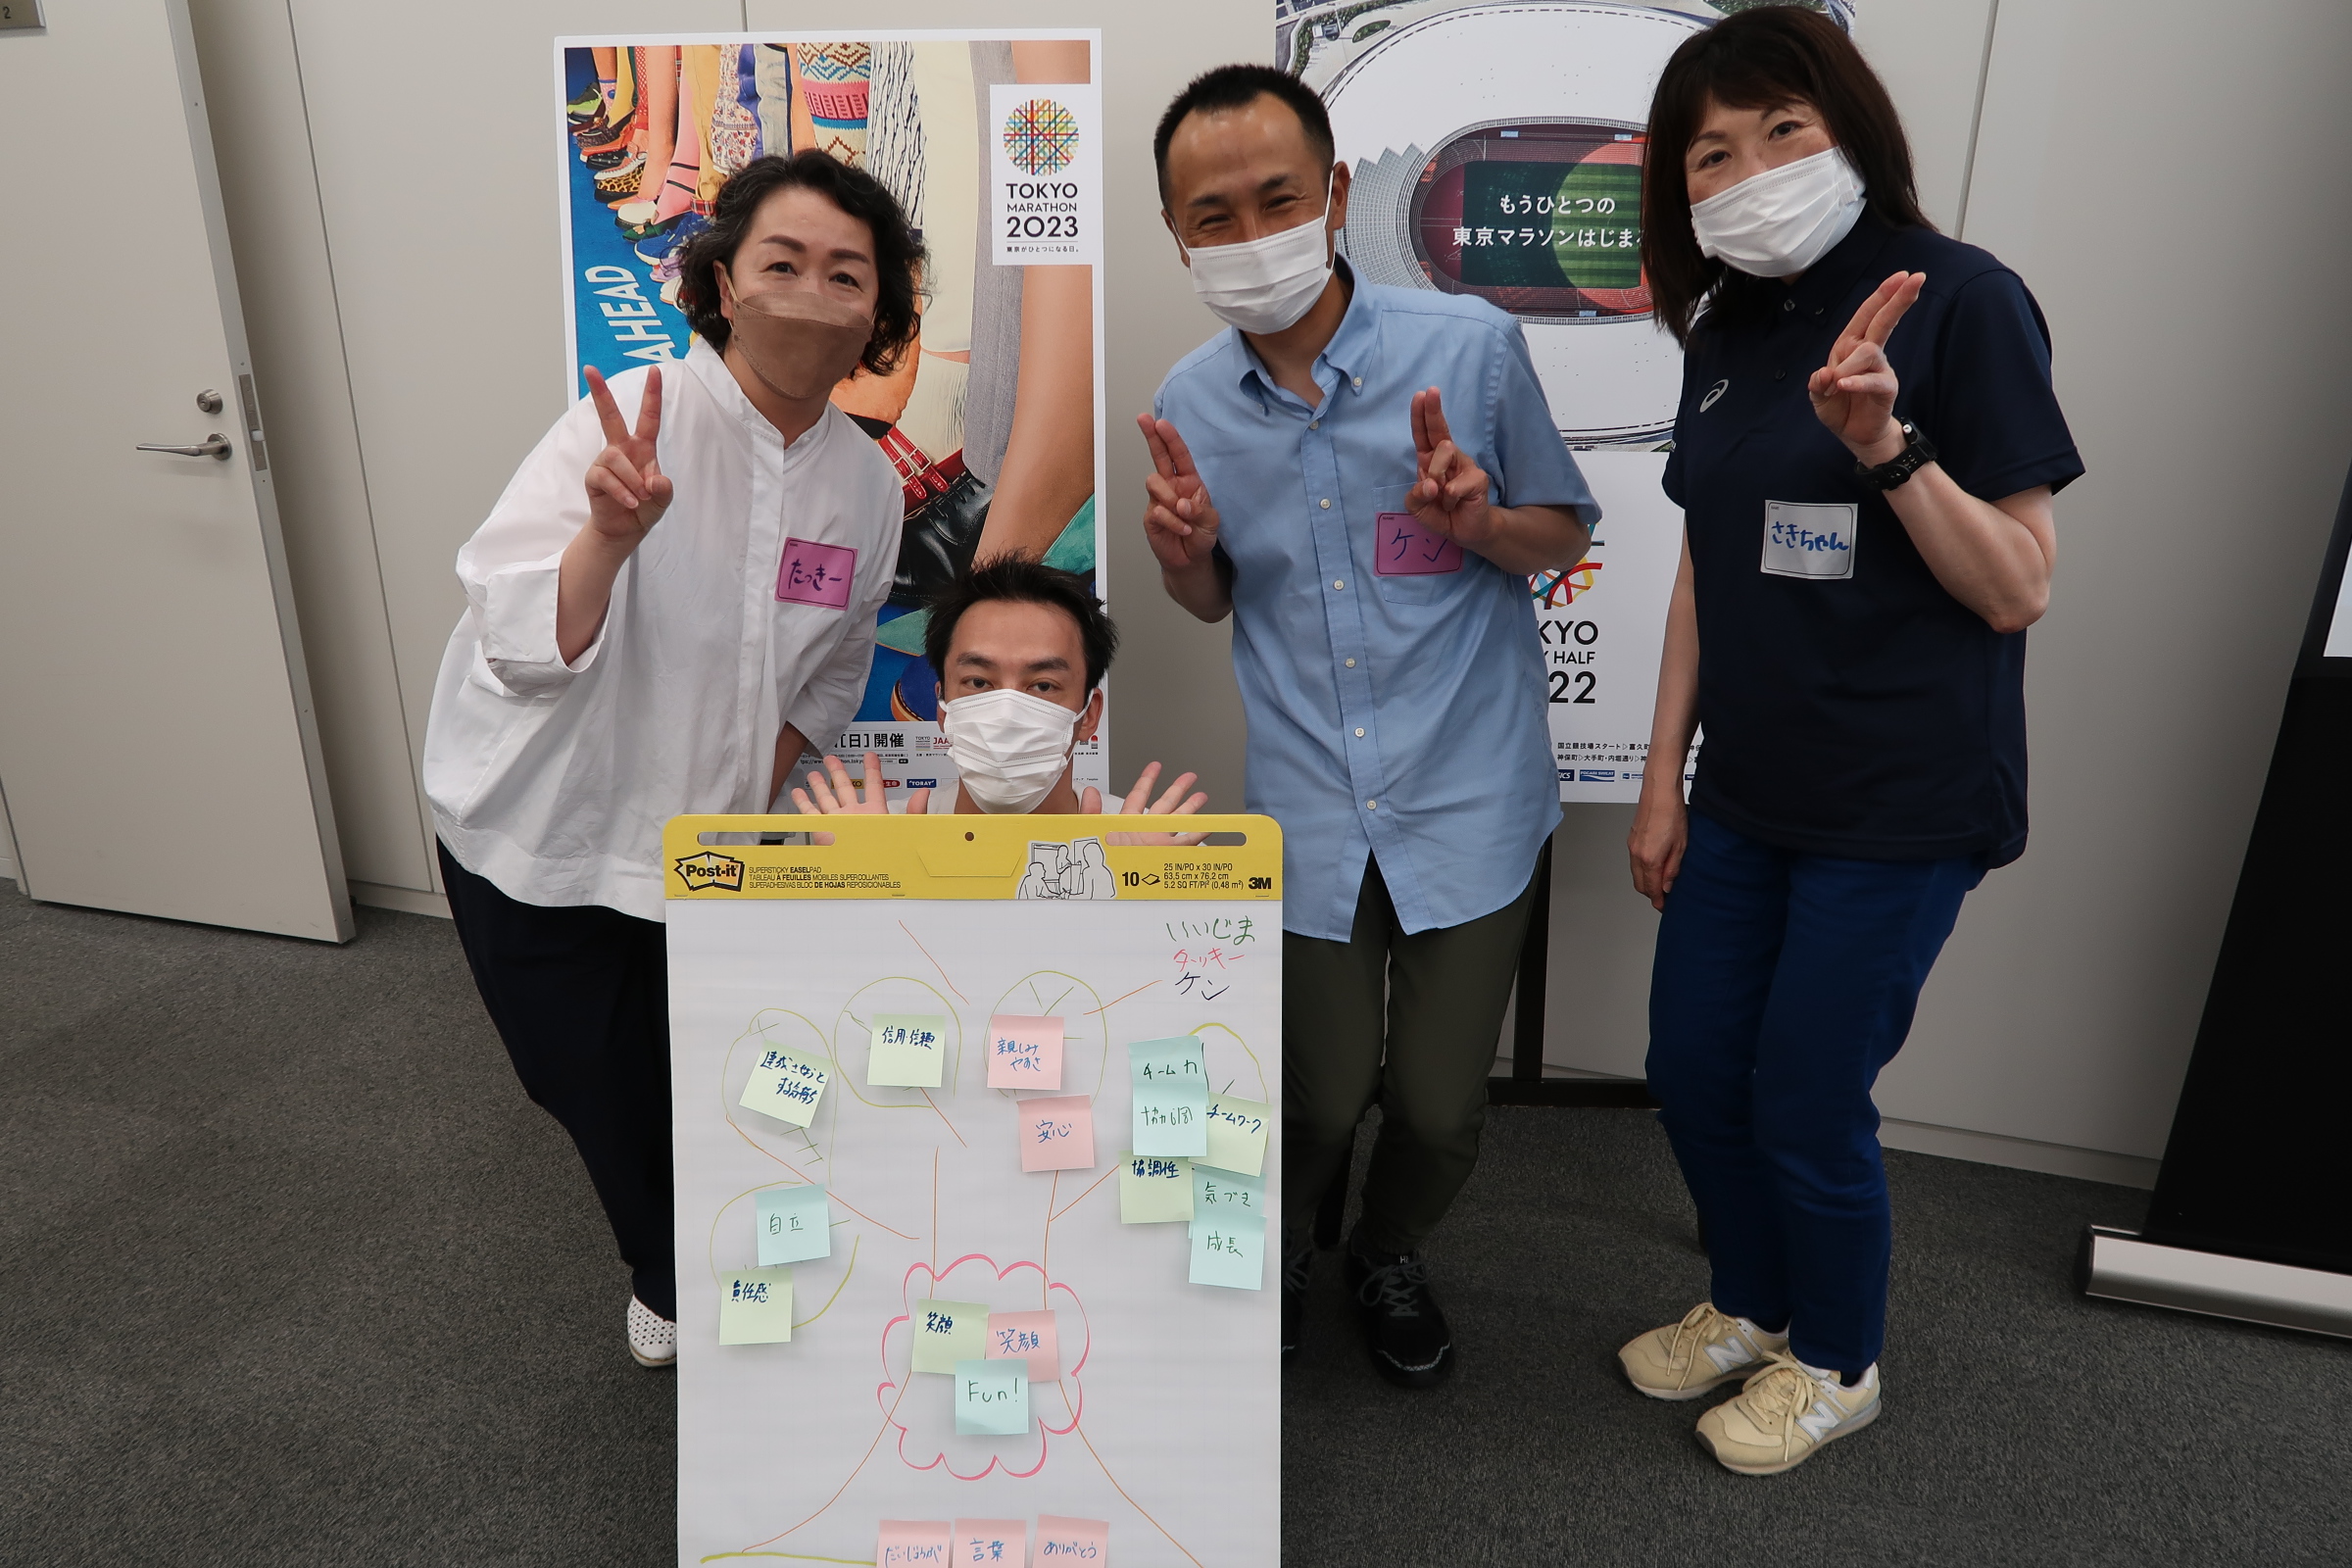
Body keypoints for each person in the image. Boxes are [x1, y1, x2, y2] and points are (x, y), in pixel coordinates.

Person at [1616, 9, 2082, 1475]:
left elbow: (2019, 585)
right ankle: (1753, 1303)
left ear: (1851, 132)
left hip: (1899, 799)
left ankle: (1835, 1359)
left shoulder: (1962, 299)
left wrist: (1887, 448)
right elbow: (1704, 565)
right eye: (1711, 152)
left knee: (1809, 1096)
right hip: (1747, 792)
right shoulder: (1724, 326)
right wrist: (1661, 780)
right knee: (1696, 1066)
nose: (1750, 171)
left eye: (1783, 131)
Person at [422, 150, 922, 1370]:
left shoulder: (867, 486)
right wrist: (606, 535)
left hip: (709, 848)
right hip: (546, 829)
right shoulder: (630, 422)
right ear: (722, 284)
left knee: (704, 1070)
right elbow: (517, 640)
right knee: (581, 1080)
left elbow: (836, 664)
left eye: (845, 274)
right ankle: (664, 1252)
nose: (812, 294)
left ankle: (691, 1260)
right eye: (781, 263)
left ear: (878, 311)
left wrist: (754, 788)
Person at [1141, 65, 1597, 1387]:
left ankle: (1386, 1250)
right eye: (1212, 216)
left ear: (1337, 194)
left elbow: (1560, 538)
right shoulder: (1188, 400)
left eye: (1278, 199)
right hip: (1308, 809)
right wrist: (1184, 558)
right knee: (1316, 1093)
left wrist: (1484, 523)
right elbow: (1215, 600)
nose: (1249, 235)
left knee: (1441, 1108)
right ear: (1178, 234)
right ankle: (1284, 1246)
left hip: (1469, 796)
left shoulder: (1468, 350)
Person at [793, 555, 1208, 827]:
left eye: (1043, 685)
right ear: (943, 708)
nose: (1008, 710)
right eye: (978, 682)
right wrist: (866, 881)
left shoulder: (1153, 848)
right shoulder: (870, 840)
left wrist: (1139, 888)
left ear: (1089, 714)